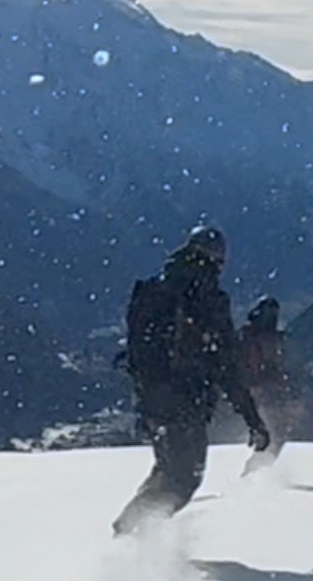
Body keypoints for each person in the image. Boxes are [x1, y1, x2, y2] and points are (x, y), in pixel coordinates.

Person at [114, 224, 269, 531]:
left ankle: (135, 532)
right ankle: (134, 535)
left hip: (151, 398)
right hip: (186, 400)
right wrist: (252, 419)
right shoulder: (209, 299)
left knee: (167, 470)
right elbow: (226, 366)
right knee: (185, 478)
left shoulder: (157, 288)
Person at [236, 296, 298, 466]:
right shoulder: (268, 338)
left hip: (259, 390)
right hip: (266, 390)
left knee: (272, 431)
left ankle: (258, 465)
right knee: (276, 432)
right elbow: (278, 366)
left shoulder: (248, 335)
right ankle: (258, 467)